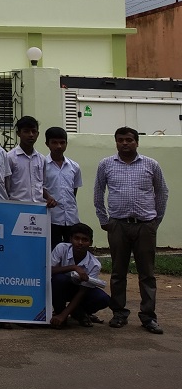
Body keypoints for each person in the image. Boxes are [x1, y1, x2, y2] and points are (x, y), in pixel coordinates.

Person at [94, 127, 169, 334]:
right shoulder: (106, 164)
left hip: (145, 225)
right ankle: (119, 313)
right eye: (120, 140)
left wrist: (155, 222)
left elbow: (162, 193)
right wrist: (104, 220)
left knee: (147, 274)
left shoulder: (151, 165)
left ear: (137, 142)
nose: (125, 143)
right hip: (118, 225)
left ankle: (148, 317)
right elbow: (98, 193)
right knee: (118, 272)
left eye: (129, 140)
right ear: (116, 142)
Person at [50, 223, 111, 328]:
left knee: (103, 299)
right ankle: (59, 310)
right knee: (59, 279)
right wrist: (73, 267)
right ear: (70, 239)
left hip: (78, 290)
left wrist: (64, 315)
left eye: (85, 240)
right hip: (59, 288)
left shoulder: (95, 264)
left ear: (90, 243)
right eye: (76, 238)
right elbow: (48, 270)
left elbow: (83, 291)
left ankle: (78, 312)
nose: (80, 243)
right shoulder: (61, 248)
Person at [44, 126, 82, 248]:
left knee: (71, 251)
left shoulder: (74, 166)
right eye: (54, 142)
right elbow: (37, 187)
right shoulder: (42, 165)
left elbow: (74, 190)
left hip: (71, 218)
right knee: (52, 251)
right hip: (51, 218)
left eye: (62, 142)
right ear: (47, 144)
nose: (59, 146)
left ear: (66, 143)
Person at [6, 115, 51, 205]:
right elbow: (6, 186)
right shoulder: (10, 157)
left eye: (33, 131)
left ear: (38, 134)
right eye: (26, 131)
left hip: (38, 207)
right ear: (18, 133)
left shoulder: (41, 159)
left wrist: (49, 198)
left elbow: (42, 185)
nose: (31, 135)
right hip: (17, 206)